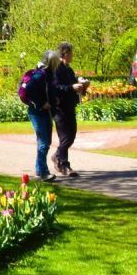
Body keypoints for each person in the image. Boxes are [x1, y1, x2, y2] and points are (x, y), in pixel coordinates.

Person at [51, 41, 90, 178]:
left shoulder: (68, 69)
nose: (72, 55)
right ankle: (64, 165)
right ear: (65, 54)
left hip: (69, 106)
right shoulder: (56, 69)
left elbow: (73, 87)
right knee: (65, 138)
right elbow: (55, 88)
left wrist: (82, 87)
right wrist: (71, 87)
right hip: (59, 107)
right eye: (71, 53)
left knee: (71, 136)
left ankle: (57, 156)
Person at [22, 50, 59, 181]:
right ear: (51, 62)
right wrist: (42, 103)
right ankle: (44, 173)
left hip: (45, 113)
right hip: (37, 112)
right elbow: (29, 89)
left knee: (46, 142)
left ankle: (39, 169)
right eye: (56, 61)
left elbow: (50, 90)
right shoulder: (40, 75)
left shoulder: (49, 74)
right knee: (43, 143)